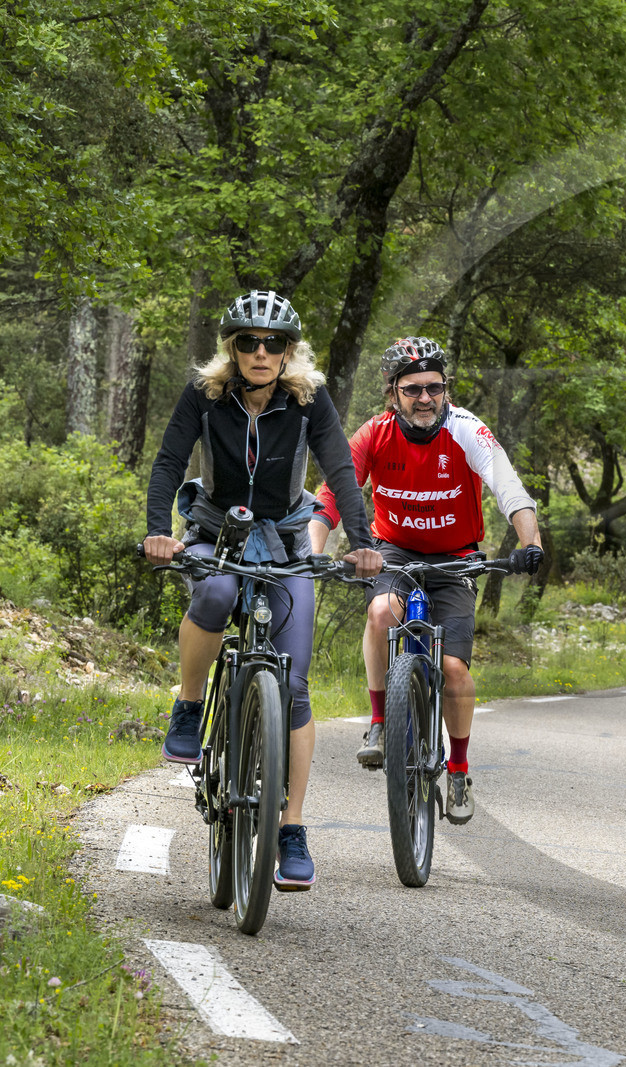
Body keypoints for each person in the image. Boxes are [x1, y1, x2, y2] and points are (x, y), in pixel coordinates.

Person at [143, 290, 383, 891]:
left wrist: (361, 540)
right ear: (232, 349)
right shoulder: (206, 396)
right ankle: (191, 706)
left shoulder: (309, 401)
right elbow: (171, 460)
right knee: (215, 595)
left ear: (288, 352)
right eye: (247, 342)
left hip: (286, 540)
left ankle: (291, 829)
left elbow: (340, 470)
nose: (259, 352)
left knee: (295, 683)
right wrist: (157, 532)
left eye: (271, 343)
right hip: (213, 529)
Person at [310, 336, 543, 825]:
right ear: (393, 394)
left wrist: (530, 544)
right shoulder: (373, 435)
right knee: (379, 613)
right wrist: (312, 554)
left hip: (456, 558)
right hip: (393, 550)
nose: (425, 398)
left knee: (454, 671)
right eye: (412, 389)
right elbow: (332, 493)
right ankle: (378, 722)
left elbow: (509, 487)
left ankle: (457, 771)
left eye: (434, 388)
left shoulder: (466, 430)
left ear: (446, 390)